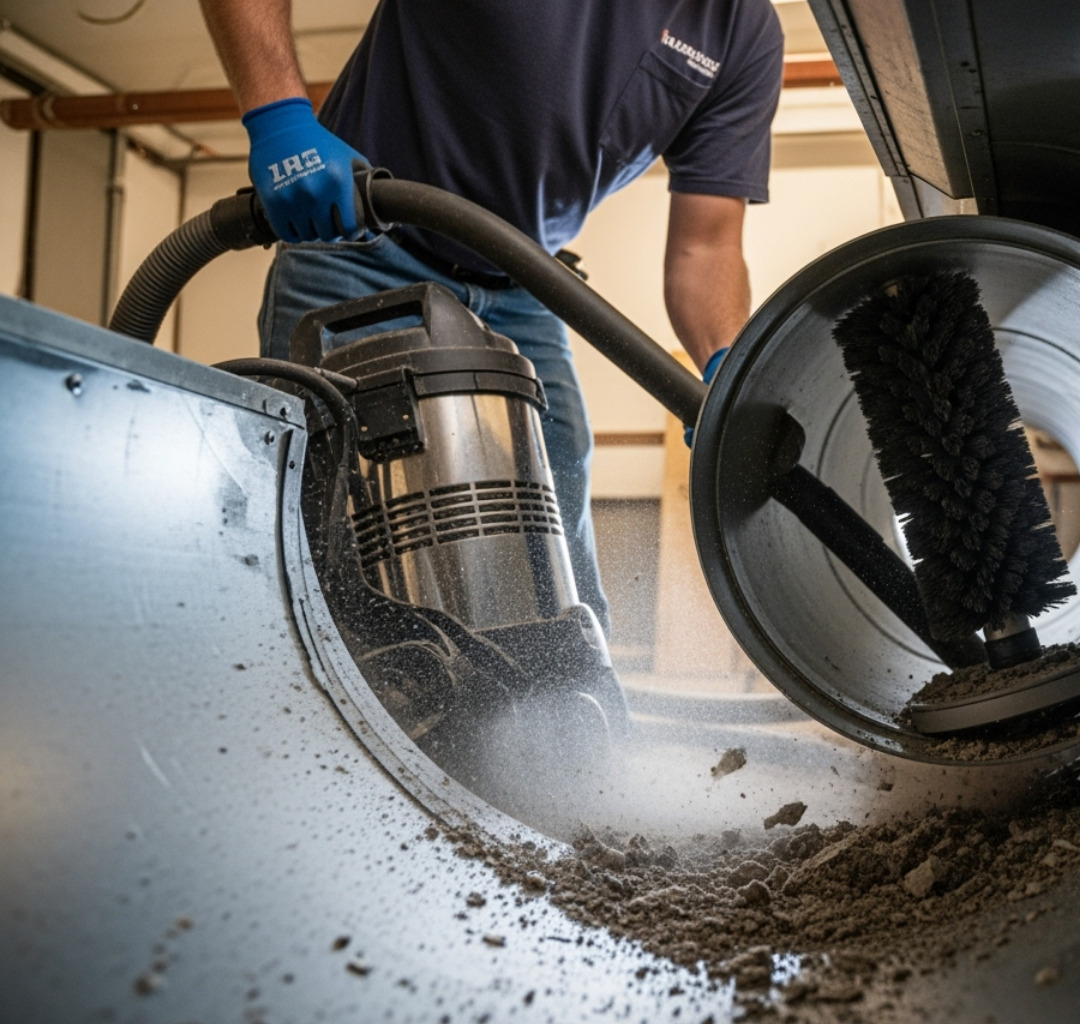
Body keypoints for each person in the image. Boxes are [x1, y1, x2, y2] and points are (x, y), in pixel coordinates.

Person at [198, 0, 785, 638]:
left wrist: (728, 366)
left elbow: (708, 248)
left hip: (524, 280)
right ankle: (308, 721)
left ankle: (571, 718)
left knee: (555, 529)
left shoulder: (741, 29)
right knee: (328, 530)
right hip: (361, 243)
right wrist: (279, 118)